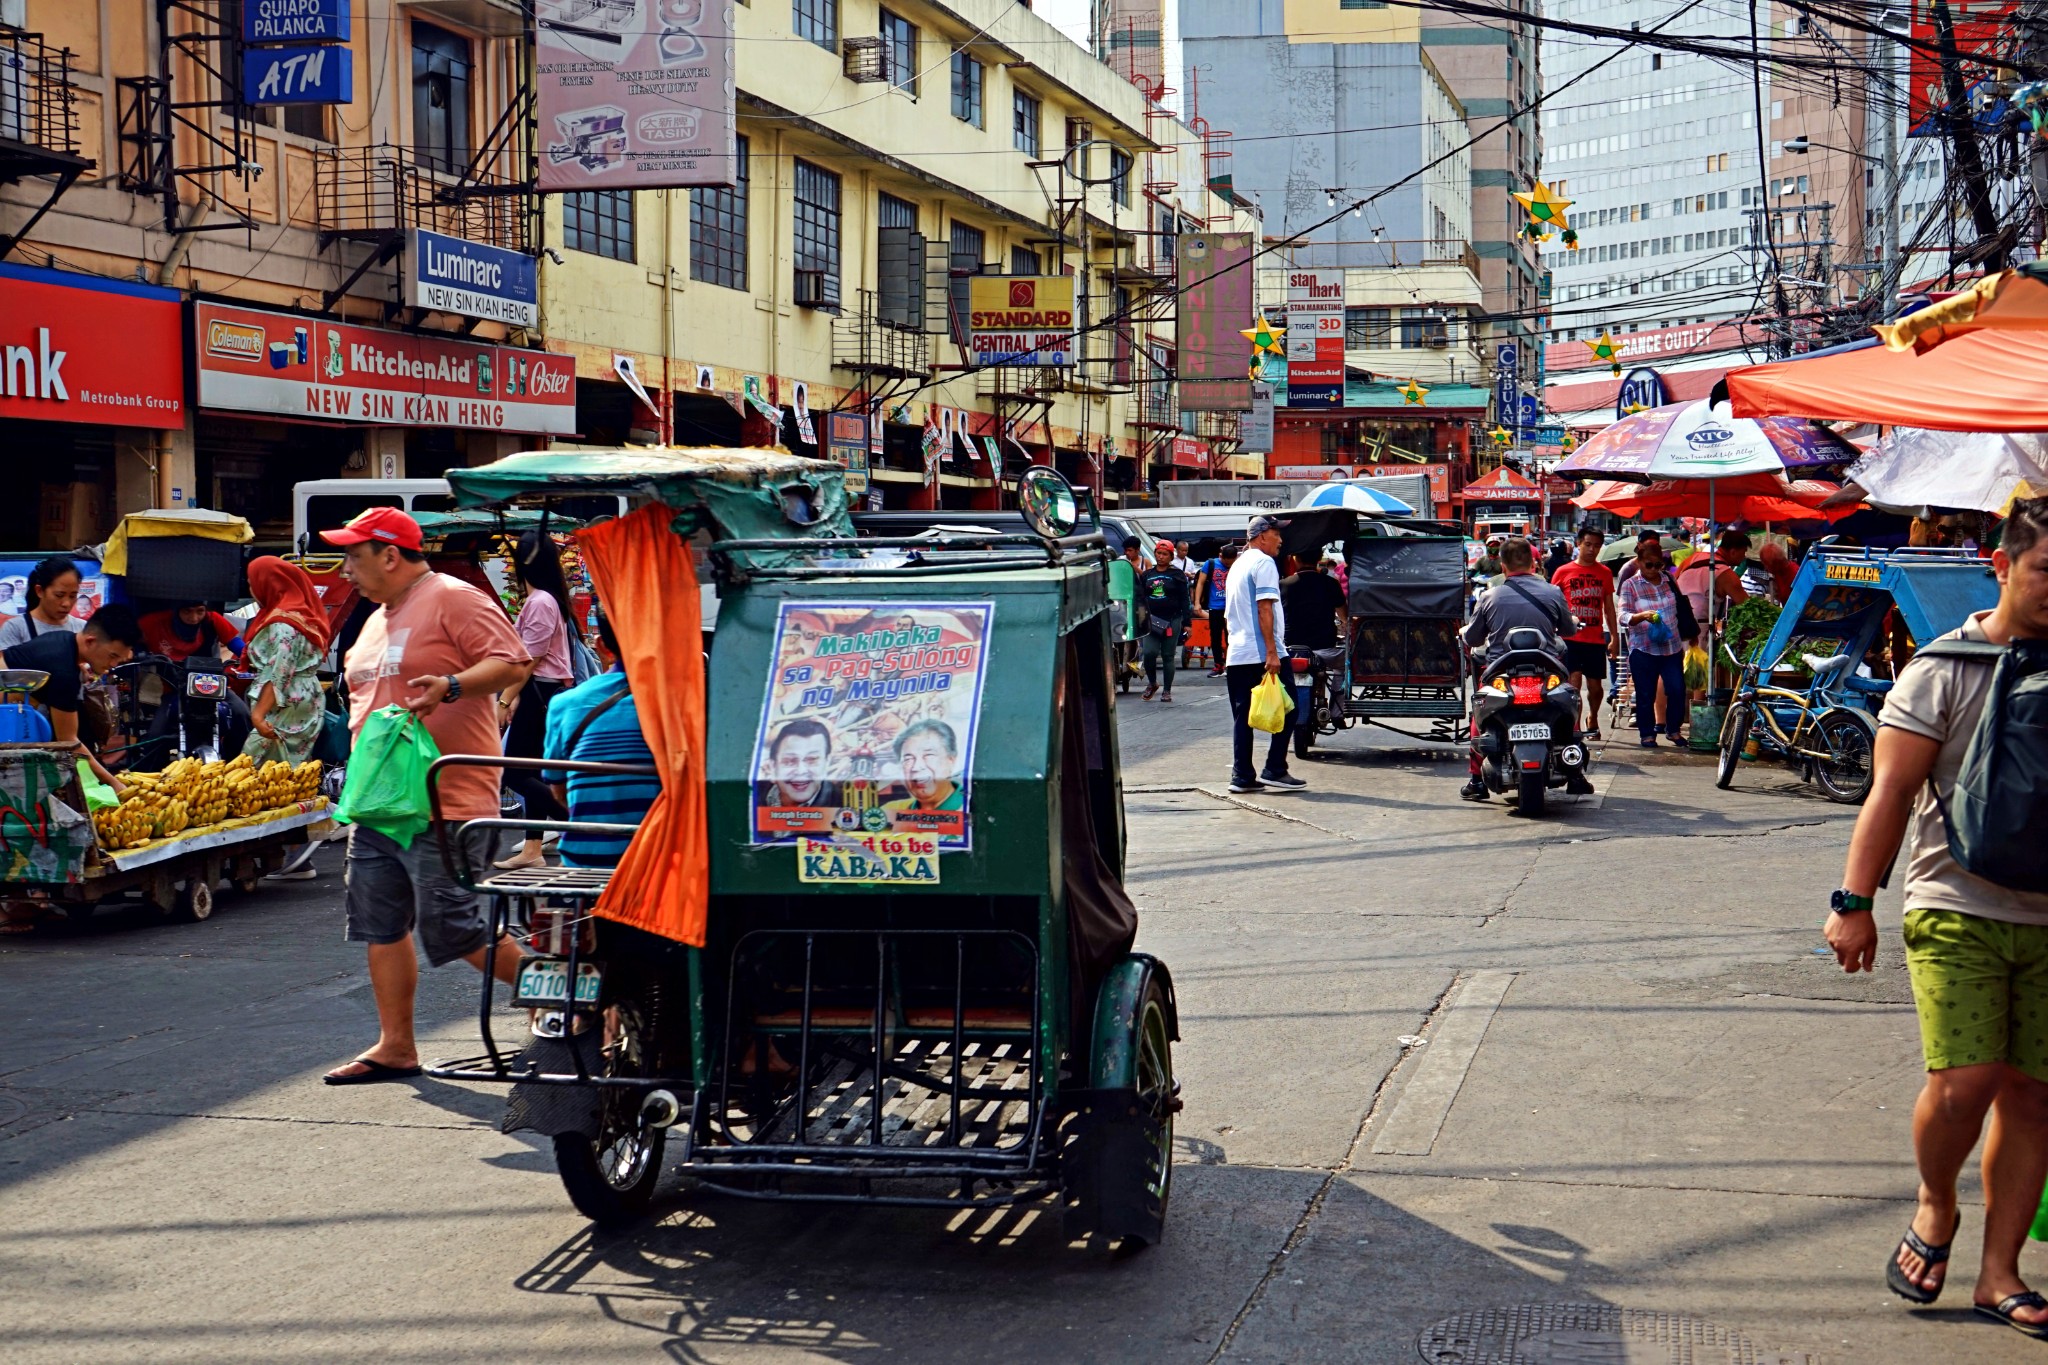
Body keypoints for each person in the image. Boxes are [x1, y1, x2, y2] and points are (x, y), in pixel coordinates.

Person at [1825, 496, 2048, 1335]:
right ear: (2001, 566)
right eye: (2045, 570)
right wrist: (1854, 903)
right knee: (1966, 1082)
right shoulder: (1945, 668)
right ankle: (1933, 1201)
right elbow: (1889, 794)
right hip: (1955, 901)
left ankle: (2000, 1273)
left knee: (2034, 1096)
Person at [320, 507, 534, 1087]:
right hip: (377, 805)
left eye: (353, 557)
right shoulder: (374, 619)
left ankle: (565, 990)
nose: (345, 570)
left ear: (390, 554)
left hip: (450, 800)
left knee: (455, 928)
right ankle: (396, 1046)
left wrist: (454, 686)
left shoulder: (452, 597)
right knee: (379, 924)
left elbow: (514, 662)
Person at [1459, 538, 1589, 802]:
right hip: (1546, 672)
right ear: (1533, 564)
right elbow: (1567, 631)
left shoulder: (1489, 596)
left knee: (1480, 715)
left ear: (1503, 567)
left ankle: (1476, 780)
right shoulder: (1553, 593)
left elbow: (1472, 640)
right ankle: (1576, 774)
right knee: (1570, 701)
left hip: (1501, 673)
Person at [543, 606, 659, 868]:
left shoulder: (564, 704)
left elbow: (560, 794)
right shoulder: (684, 704)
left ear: (602, 646)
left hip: (586, 858)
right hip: (661, 863)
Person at [495, 531, 581, 872]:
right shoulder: (543, 599)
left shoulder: (541, 602)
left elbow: (531, 657)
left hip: (540, 690)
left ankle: (578, 824)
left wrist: (505, 700)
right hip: (538, 689)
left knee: (514, 772)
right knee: (531, 771)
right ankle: (533, 847)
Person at [1, 603, 141, 792]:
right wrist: (114, 783)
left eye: (119, 659)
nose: (113, 664)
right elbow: (69, 742)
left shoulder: (64, 639)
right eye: (112, 656)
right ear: (90, 641)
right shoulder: (64, 674)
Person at [1223, 515, 1303, 793]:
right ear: (1261, 536)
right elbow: (1264, 608)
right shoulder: (1264, 562)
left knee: (1242, 716)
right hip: (1262, 653)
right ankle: (1275, 769)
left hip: (1238, 652)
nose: (1281, 540)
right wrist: (1272, 652)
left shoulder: (1238, 565)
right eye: (1276, 534)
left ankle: (1242, 776)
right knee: (1291, 708)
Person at [240, 557, 331, 767]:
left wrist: (258, 715)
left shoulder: (283, 623)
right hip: (302, 696)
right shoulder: (301, 616)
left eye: (252, 582)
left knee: (252, 769)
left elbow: (280, 671)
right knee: (287, 771)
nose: (251, 588)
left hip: (284, 701)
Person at [1618, 536, 1687, 747]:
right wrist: (1641, 616)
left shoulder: (1669, 580)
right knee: (1645, 693)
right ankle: (1646, 734)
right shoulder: (1631, 585)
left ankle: (1673, 730)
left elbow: (1681, 607)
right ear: (1639, 562)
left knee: (1677, 689)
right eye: (1649, 564)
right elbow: (1622, 615)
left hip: (1671, 646)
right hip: (1643, 648)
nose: (1654, 569)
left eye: (1659, 564)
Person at [1551, 528, 1619, 740]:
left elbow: (1608, 608)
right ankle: (1575, 725)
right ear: (1579, 544)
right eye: (1588, 544)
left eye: (1596, 545)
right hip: (1569, 638)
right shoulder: (1563, 572)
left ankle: (1594, 716)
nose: (1592, 549)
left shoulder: (1604, 573)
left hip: (1595, 638)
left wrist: (1615, 637)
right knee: (1574, 683)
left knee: (1595, 687)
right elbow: (1552, 602)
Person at [1137, 538, 1191, 702]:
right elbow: (1140, 598)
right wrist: (1138, 619)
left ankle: (1167, 690)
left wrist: (1187, 623)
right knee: (1149, 653)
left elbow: (1184, 599)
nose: (1161, 557)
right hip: (1150, 620)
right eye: (1158, 553)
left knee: (1168, 655)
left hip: (1172, 620)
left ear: (1170, 556)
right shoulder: (1147, 575)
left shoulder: (1177, 575)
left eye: (1164, 554)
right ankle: (1152, 683)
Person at [0, 557, 84, 649]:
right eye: (59, 595)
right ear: (39, 591)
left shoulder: (82, 629)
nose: (66, 604)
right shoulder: (15, 629)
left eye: (72, 596)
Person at [758, 718, 842, 809]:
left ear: (827, 763)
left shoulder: (843, 804)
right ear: (773, 767)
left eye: (812, 760)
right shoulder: (752, 793)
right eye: (790, 761)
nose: (801, 771)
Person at [883, 718, 963, 812]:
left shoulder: (973, 806)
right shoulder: (890, 811)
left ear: (951, 760)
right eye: (908, 759)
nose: (916, 767)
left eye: (928, 755)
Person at [1676, 528, 1750, 628]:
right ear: (1733, 552)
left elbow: (1674, 582)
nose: (1744, 556)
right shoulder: (1726, 574)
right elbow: (1747, 605)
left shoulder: (1693, 558)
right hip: (1699, 628)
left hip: (1676, 620)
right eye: (1744, 552)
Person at [138, 601, 243, 663]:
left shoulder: (212, 619)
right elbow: (132, 641)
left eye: (200, 611)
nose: (194, 618)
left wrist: (250, 659)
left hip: (205, 678)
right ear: (177, 610)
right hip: (164, 679)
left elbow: (234, 643)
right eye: (187, 611)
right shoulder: (154, 622)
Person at [1194, 544, 1237, 677]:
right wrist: (1197, 602)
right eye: (1225, 563)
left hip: (1232, 607)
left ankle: (1233, 665)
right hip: (1215, 607)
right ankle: (1218, 666)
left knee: (1233, 637)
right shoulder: (1210, 564)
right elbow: (1200, 583)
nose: (1228, 565)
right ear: (1221, 556)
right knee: (1216, 638)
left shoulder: (1238, 565)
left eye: (1230, 563)